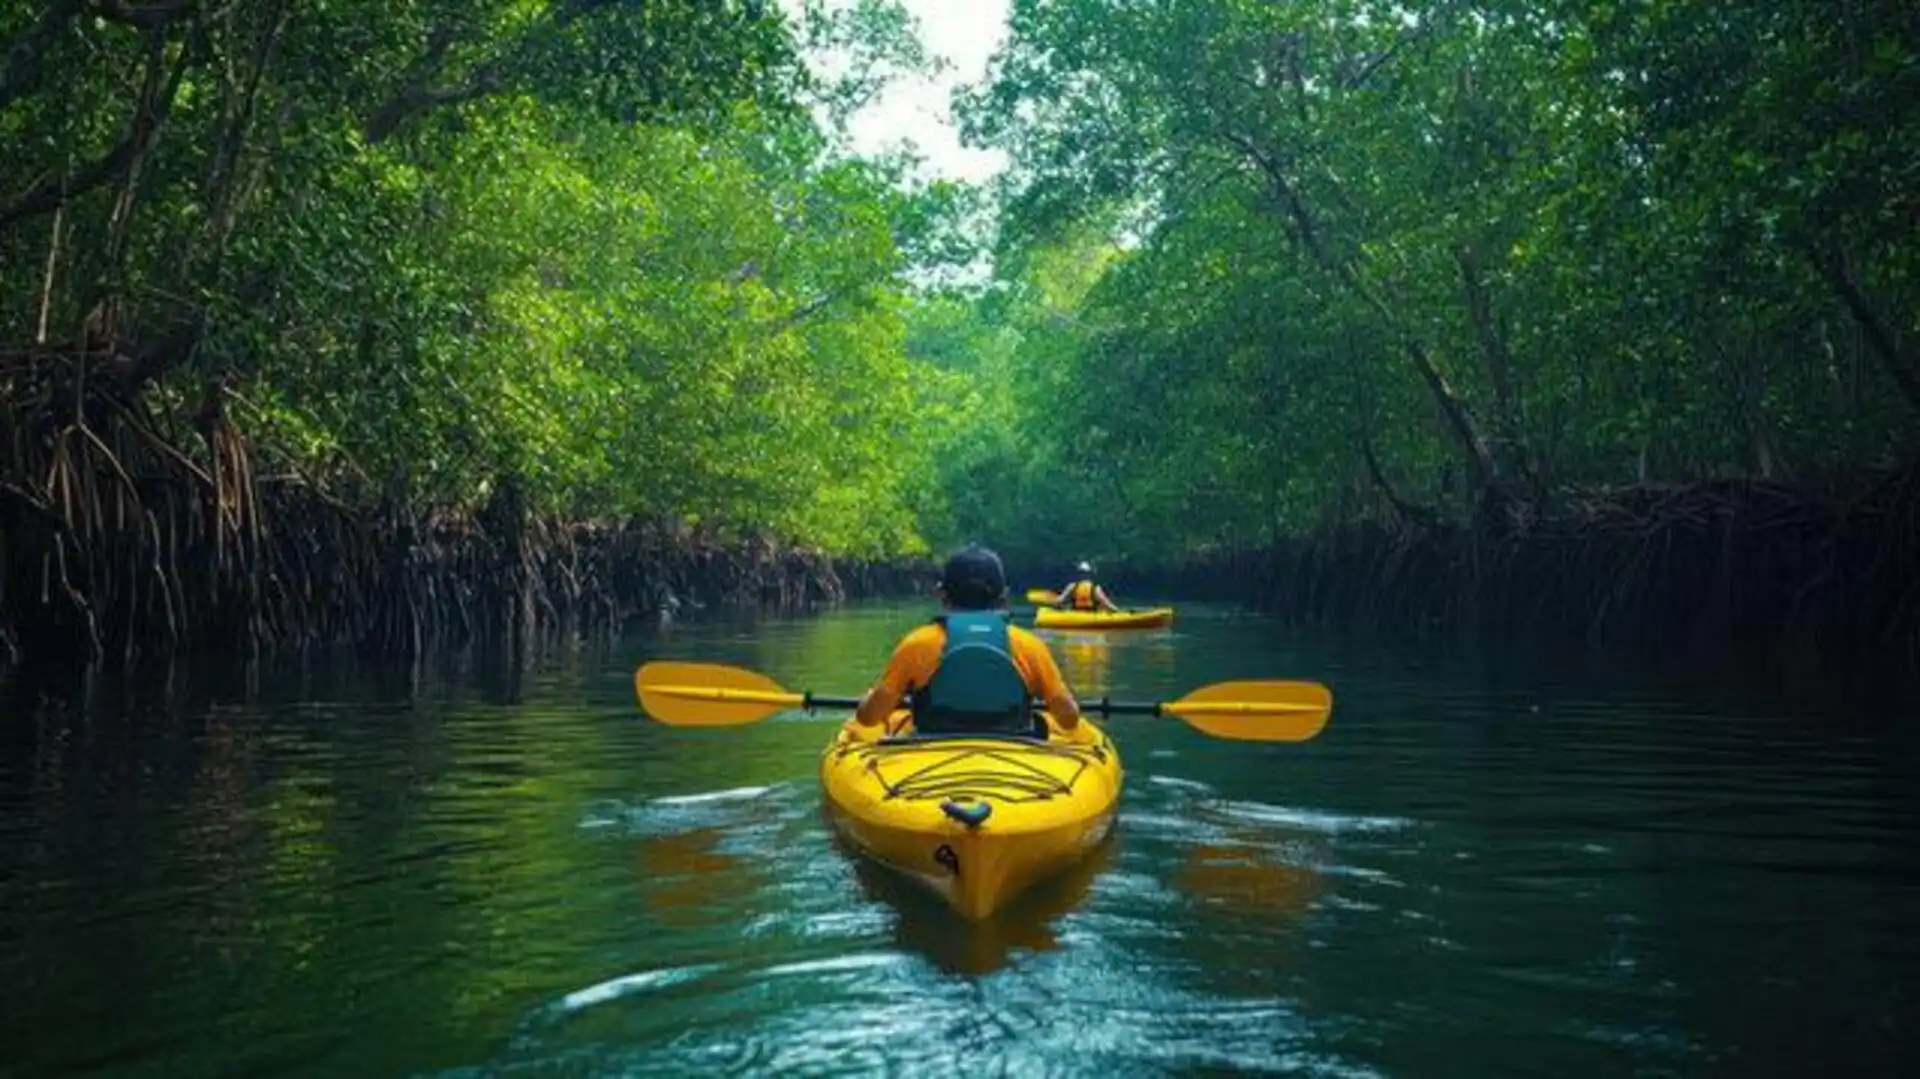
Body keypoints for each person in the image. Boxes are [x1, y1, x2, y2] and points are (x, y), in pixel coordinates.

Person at [855, 545, 1083, 737]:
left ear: (941, 593)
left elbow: (868, 718)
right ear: (1003, 595)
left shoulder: (917, 643)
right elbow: (1069, 720)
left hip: (931, 749)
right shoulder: (1028, 645)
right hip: (1012, 751)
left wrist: (867, 700)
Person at [1053, 561, 1120, 613]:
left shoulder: (1072, 586)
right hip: (1090, 614)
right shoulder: (1095, 588)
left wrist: (1057, 607)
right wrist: (1118, 611)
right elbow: (1107, 604)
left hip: (1075, 614)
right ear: (1090, 574)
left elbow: (1059, 601)